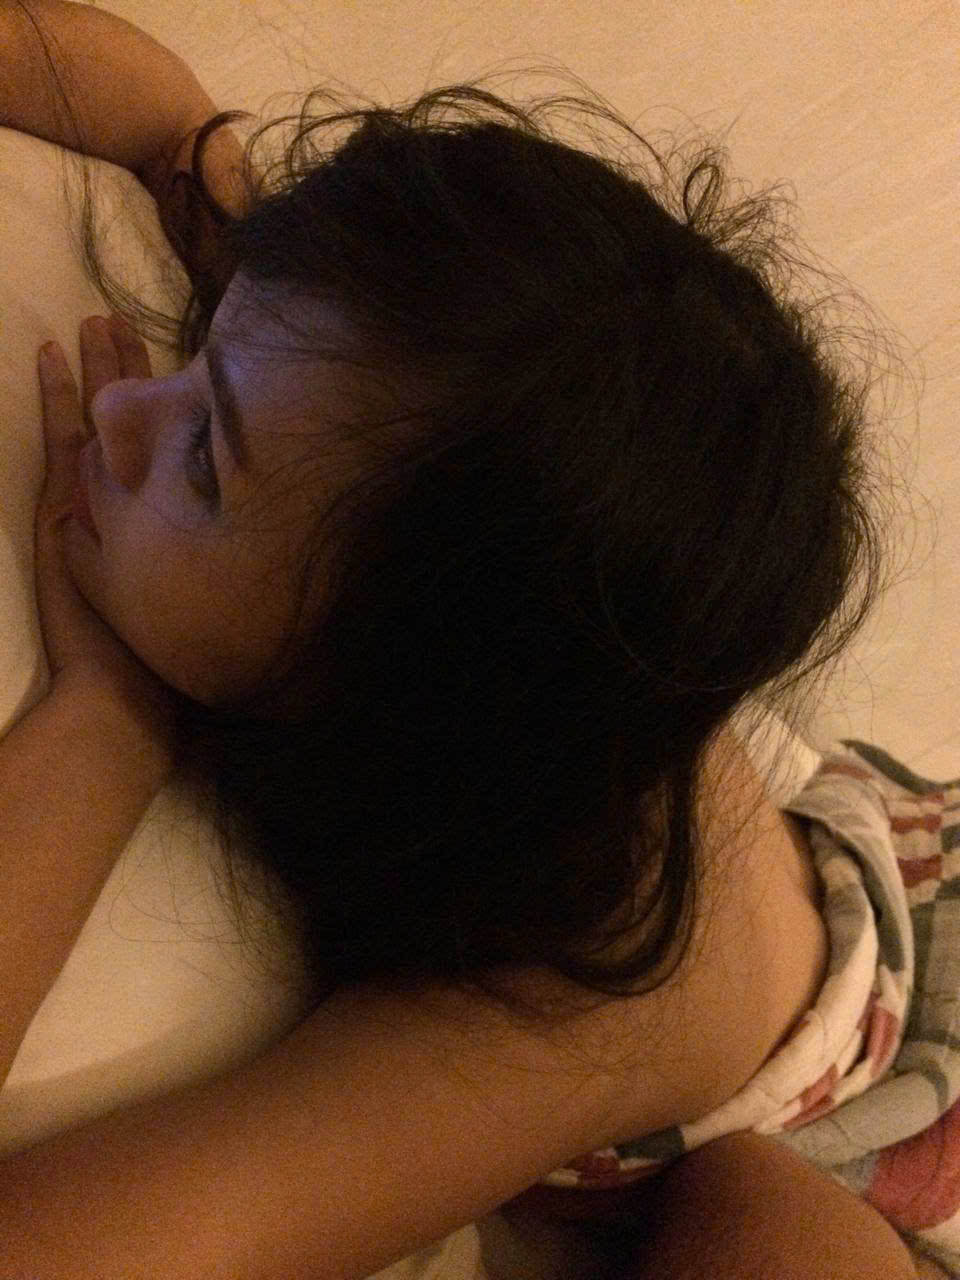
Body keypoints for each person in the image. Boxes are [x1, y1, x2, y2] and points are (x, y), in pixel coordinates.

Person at [0, 2, 950, 1277]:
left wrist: (102, 726)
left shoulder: (554, 1015)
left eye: (205, 460)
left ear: (381, 713)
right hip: (785, 803)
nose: (120, 406)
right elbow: (171, 119)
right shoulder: (362, 366)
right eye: (205, 353)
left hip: (852, 1056)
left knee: (770, 1224)